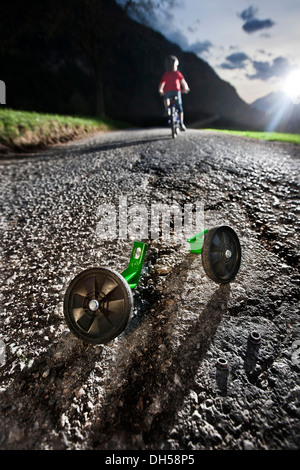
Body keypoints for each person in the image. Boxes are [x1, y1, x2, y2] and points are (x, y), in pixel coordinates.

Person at [158, 55, 190, 131]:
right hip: (176, 92)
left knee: (166, 98)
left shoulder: (165, 75)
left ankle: (167, 109)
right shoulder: (177, 73)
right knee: (179, 107)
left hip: (167, 92)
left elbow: (161, 84)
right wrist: (186, 88)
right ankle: (181, 123)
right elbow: (183, 83)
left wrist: (160, 90)